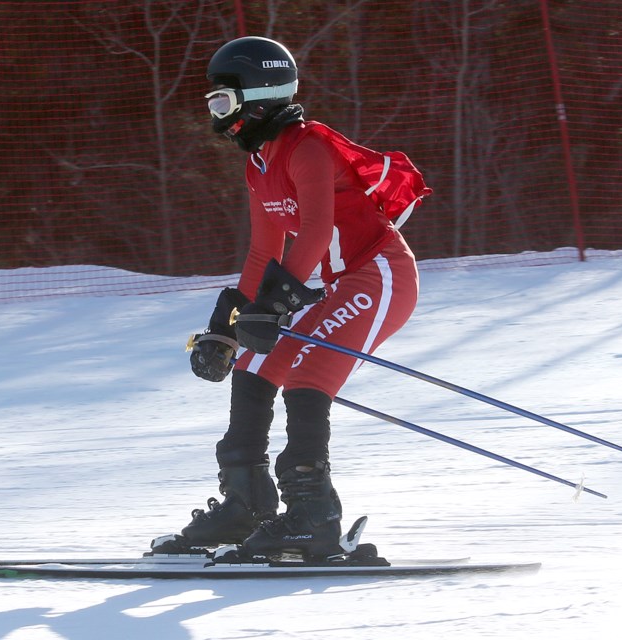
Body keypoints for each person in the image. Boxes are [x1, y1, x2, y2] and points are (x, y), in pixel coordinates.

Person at [162, 36, 430, 560]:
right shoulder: (259, 164)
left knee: (306, 374)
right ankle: (249, 501)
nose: (218, 114)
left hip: (379, 275)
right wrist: (227, 322)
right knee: (257, 360)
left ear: (258, 96)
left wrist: (270, 307)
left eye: (224, 100)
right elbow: (265, 252)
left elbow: (313, 233)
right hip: (337, 285)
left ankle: (313, 516)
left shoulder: (307, 147)